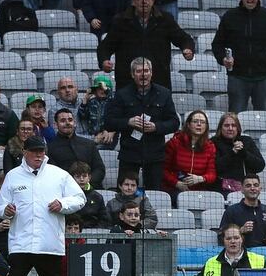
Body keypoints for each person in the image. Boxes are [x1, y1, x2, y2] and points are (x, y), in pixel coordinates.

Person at [0, 135, 85, 276]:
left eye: (41, 151)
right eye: (34, 151)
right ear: (24, 153)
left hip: (49, 244)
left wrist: (62, 204)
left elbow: (79, 198)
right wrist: (6, 210)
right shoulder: (12, 176)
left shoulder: (59, 174)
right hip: (21, 244)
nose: (38, 155)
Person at [97, 0, 195, 92]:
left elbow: (183, 38)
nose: (144, 2)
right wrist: (104, 60)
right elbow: (106, 46)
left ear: (153, 0)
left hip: (159, 81)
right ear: (133, 1)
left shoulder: (165, 19)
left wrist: (187, 48)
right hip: (127, 82)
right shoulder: (121, 21)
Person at [104, 57, 180, 191]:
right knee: (125, 192)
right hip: (130, 153)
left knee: (155, 194)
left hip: (155, 154)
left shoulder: (164, 93)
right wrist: (129, 122)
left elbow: (174, 122)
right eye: (139, 71)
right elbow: (110, 122)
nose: (143, 74)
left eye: (146, 71)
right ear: (133, 75)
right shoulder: (122, 94)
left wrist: (156, 127)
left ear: (151, 73)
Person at [162, 110, 218, 198]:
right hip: (174, 189)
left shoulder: (210, 147)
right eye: (195, 121)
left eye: (203, 122)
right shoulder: (174, 143)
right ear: (188, 124)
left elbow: (212, 174)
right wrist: (177, 183)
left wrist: (201, 178)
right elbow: (163, 170)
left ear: (206, 126)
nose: (199, 124)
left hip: (199, 192)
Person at [47, 109, 106, 188]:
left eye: (70, 120)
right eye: (63, 120)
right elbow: (53, 174)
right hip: (64, 191)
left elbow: (99, 169)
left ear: (74, 123)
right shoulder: (50, 148)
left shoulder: (89, 144)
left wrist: (86, 184)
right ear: (55, 124)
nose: (67, 123)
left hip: (91, 190)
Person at [212, 113, 266, 194]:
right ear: (220, 128)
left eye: (233, 125)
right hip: (222, 189)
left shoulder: (247, 141)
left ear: (238, 128)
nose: (230, 128)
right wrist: (232, 152)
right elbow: (216, 167)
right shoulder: (214, 142)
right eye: (226, 125)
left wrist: (244, 152)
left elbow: (260, 166)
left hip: (246, 189)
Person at [218, 173, 266, 247]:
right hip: (240, 254)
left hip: (264, 253)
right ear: (242, 189)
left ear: (260, 188)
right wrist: (240, 231)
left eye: (256, 185)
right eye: (248, 186)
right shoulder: (231, 211)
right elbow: (221, 236)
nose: (252, 188)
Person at [69, 161, 109, 228]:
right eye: (78, 176)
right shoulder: (67, 196)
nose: (81, 179)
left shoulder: (97, 197)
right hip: (72, 231)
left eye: (84, 176)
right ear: (72, 178)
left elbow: (104, 220)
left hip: (94, 233)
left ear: (89, 177)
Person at [78, 74, 116, 144]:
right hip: (92, 136)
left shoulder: (113, 103)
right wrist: (85, 100)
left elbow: (117, 120)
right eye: (99, 88)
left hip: (108, 136)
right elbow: (82, 116)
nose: (102, 91)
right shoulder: (91, 102)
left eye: (105, 88)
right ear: (95, 90)